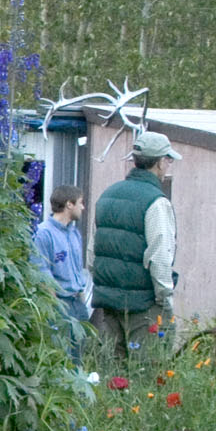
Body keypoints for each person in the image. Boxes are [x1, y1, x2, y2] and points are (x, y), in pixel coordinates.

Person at [90, 131, 180, 353]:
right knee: (148, 375)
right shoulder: (157, 202)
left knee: (110, 375)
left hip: (108, 303)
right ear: (159, 163)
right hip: (144, 304)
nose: (168, 164)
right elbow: (159, 258)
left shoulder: (107, 195)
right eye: (168, 159)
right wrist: (165, 300)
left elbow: (93, 253)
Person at [31, 184, 93, 353]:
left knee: (79, 358)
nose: (83, 207)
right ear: (69, 204)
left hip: (77, 304)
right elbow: (41, 273)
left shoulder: (74, 233)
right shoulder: (44, 234)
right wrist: (56, 309)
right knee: (62, 357)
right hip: (59, 304)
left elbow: (78, 270)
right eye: (80, 202)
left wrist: (81, 299)